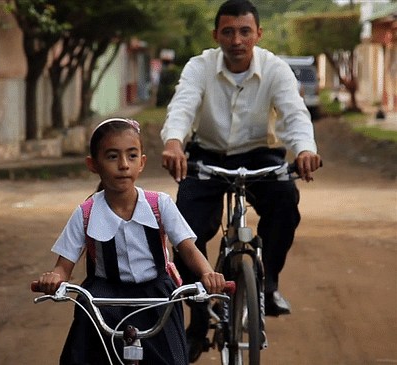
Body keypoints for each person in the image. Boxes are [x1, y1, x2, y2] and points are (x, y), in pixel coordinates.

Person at [160, 0, 322, 361]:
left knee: (285, 205)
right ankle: (199, 320)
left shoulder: (276, 69)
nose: (237, 40)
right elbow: (183, 106)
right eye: (228, 31)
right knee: (185, 233)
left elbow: (294, 115)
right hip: (207, 155)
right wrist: (173, 142)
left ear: (258, 35)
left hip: (258, 154)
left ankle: (267, 283)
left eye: (245, 31)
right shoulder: (199, 67)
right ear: (216, 34)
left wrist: (305, 150)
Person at [36, 118, 226, 365]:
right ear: (93, 165)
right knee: (83, 354)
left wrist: (208, 274)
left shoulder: (160, 204)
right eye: (112, 157)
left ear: (142, 163)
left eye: (132, 156)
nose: (124, 165)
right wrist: (55, 279)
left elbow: (187, 247)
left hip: (156, 295)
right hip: (105, 296)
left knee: (171, 358)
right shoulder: (86, 212)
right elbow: (64, 266)